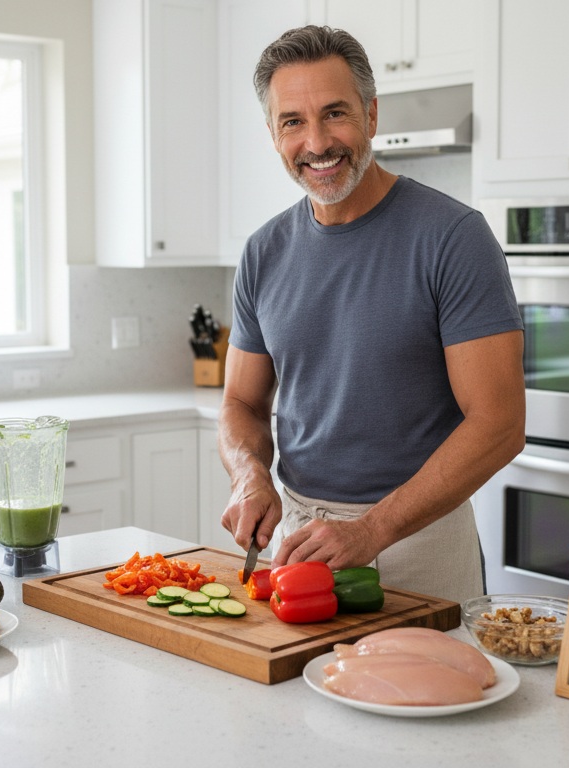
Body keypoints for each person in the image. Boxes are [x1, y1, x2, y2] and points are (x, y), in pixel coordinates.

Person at [217, 25, 525, 604]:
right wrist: (249, 474)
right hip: (302, 540)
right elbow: (240, 403)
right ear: (272, 133)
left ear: (371, 115)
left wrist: (373, 530)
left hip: (419, 541)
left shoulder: (454, 238)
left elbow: (500, 423)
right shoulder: (263, 252)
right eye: (293, 122)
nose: (316, 142)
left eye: (335, 114)